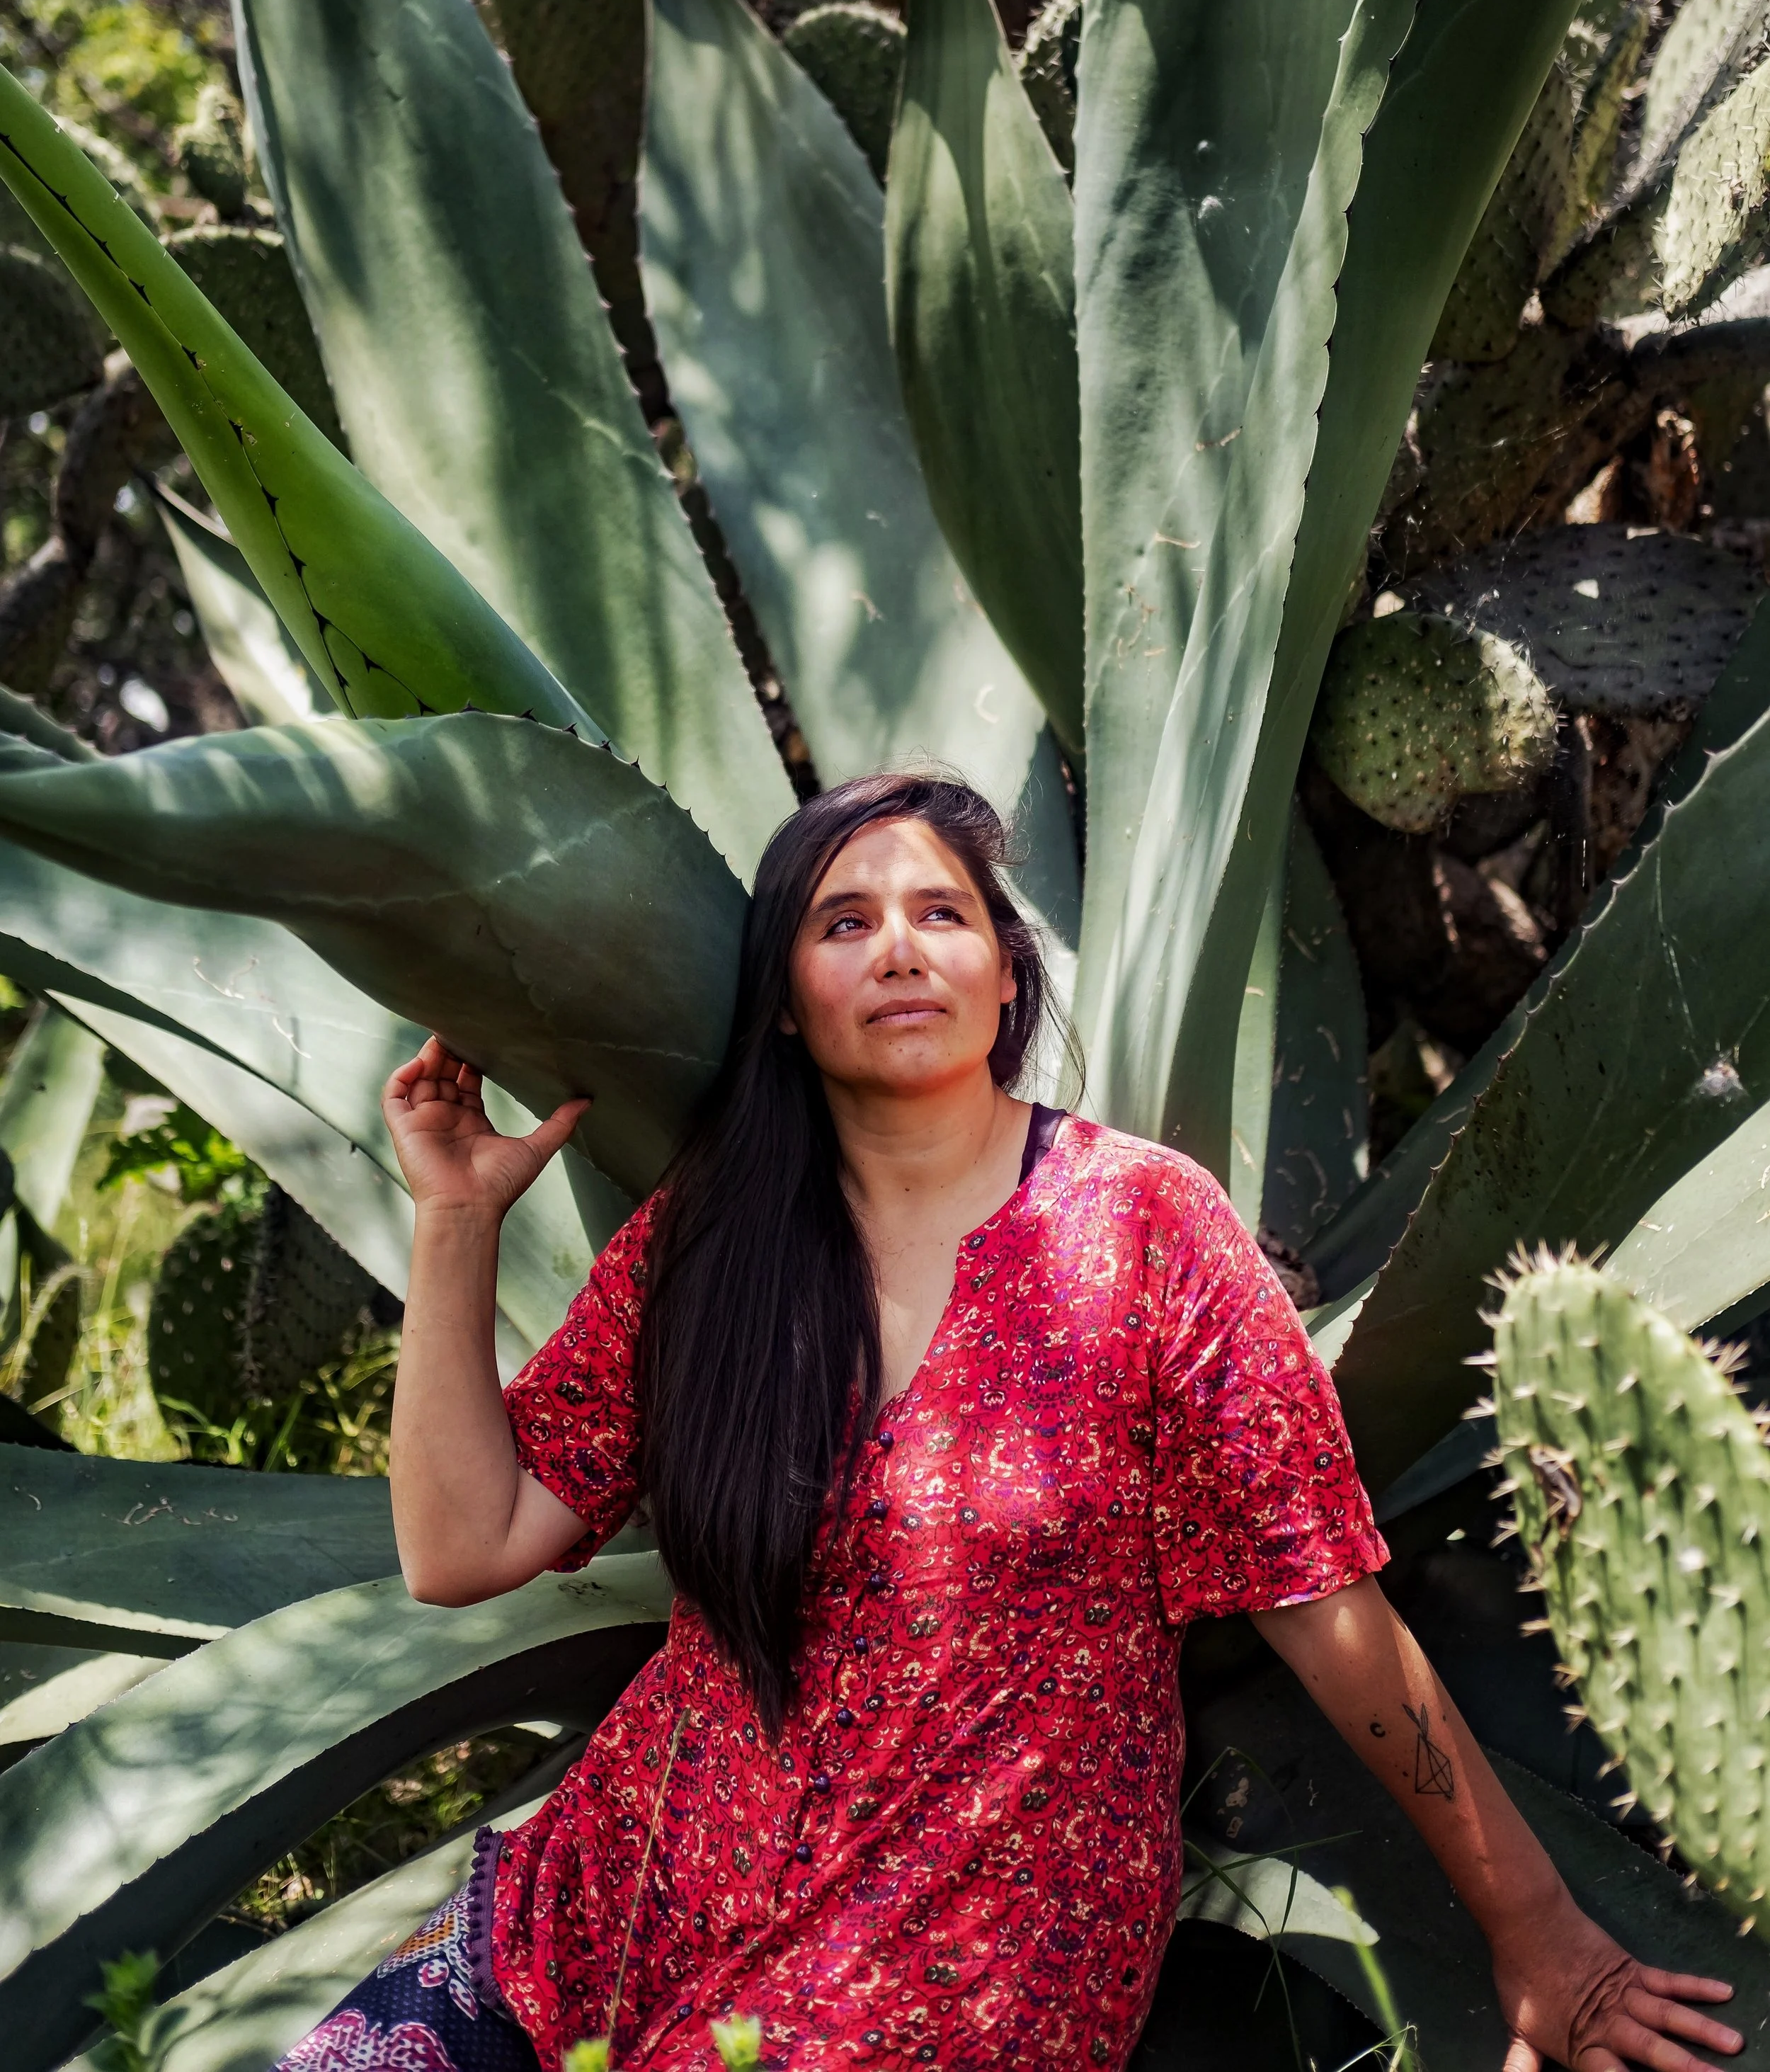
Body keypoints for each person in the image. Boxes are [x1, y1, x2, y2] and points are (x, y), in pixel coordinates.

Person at [280, 773, 1742, 2072]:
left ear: (1002, 978)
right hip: (616, 1896)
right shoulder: (711, 1243)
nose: (901, 944)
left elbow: (1321, 1606)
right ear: (787, 999)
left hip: (954, 1962)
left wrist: (1541, 1930)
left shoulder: (1145, 1228)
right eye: (844, 922)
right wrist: (456, 1221)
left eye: (942, 912)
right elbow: (462, 1545)